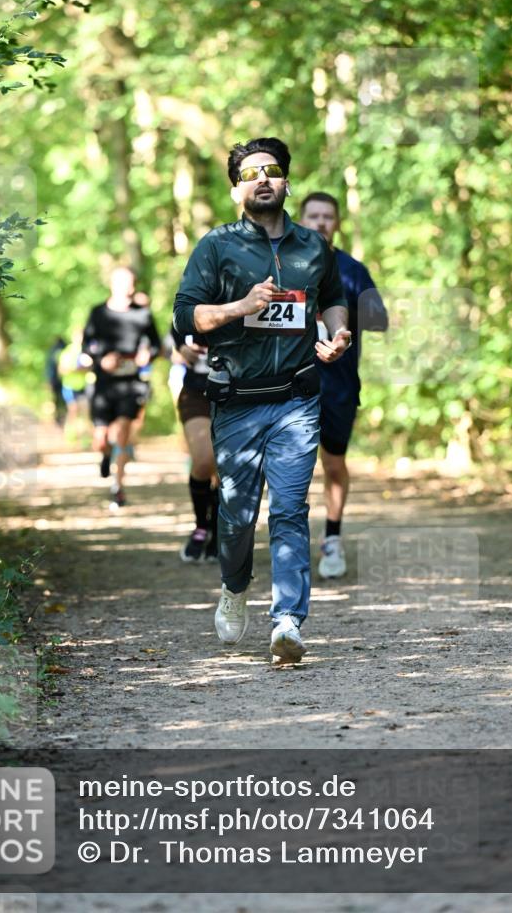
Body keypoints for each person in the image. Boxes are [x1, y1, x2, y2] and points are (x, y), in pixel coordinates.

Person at [173, 137, 350, 663]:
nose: (262, 179)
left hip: (296, 398)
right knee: (236, 516)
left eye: (271, 170)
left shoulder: (312, 246)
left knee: (290, 510)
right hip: (236, 401)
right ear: (237, 191)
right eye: (250, 174)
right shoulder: (216, 246)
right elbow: (185, 316)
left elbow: (333, 298)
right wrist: (239, 306)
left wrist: (337, 333)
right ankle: (234, 587)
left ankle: (288, 622)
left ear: (286, 182)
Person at [299, 192, 388, 578]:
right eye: (313, 216)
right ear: (300, 220)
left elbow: (380, 320)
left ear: (336, 223)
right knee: (290, 466)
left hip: (338, 385)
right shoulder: (282, 265)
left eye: (327, 216)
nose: (320, 222)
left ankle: (332, 537)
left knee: (333, 464)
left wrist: (342, 317)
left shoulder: (352, 270)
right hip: (289, 384)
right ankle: (289, 540)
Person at [83, 266, 161, 508]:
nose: (129, 287)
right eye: (123, 282)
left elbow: (156, 344)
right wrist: (101, 360)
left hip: (131, 383)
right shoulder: (98, 313)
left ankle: (118, 487)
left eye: (131, 282)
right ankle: (105, 454)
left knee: (123, 433)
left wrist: (147, 355)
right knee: (101, 438)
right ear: (112, 284)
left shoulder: (142, 314)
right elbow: (86, 345)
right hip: (104, 384)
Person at [170, 324, 219, 563]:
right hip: (197, 392)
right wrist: (181, 346)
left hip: (238, 393)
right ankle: (201, 526)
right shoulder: (194, 298)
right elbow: (177, 322)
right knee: (203, 460)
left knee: (226, 467)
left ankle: (218, 531)